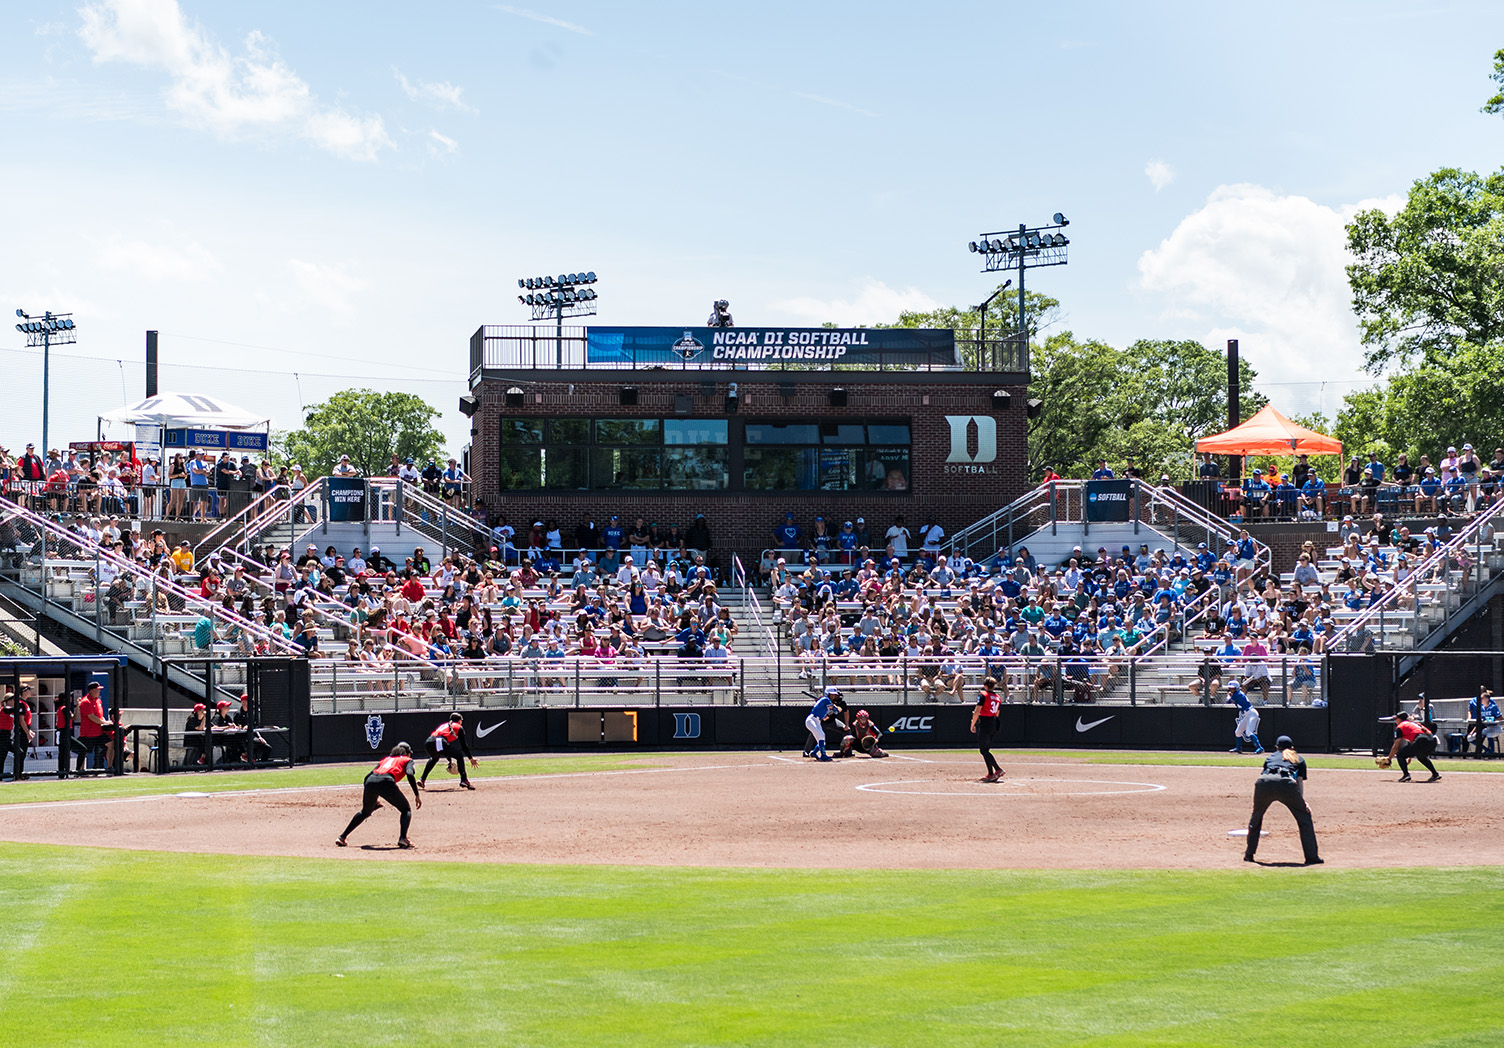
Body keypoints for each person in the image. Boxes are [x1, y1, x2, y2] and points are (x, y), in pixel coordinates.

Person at [1242, 735, 1322, 865]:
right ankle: (1311, 857)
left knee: (1256, 817)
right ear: (1292, 747)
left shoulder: (1270, 757)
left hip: (1263, 783)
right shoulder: (1298, 759)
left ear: (1277, 747)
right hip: (1286, 785)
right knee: (1304, 819)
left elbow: (1265, 773)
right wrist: (1302, 803)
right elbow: (1299, 782)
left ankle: (1249, 854)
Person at [337, 742, 423, 849]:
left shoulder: (385, 759)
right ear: (407, 753)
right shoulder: (407, 760)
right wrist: (417, 794)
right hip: (387, 781)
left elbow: (367, 777)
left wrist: (372, 798)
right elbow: (410, 774)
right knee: (406, 810)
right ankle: (403, 838)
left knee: (365, 812)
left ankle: (342, 837)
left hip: (370, 781)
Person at [419, 713, 478, 789]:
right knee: (459, 756)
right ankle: (464, 780)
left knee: (434, 758)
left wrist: (449, 761)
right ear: (459, 721)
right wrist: (471, 758)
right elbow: (463, 745)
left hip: (429, 742)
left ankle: (422, 779)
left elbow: (442, 748)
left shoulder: (445, 725)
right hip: (439, 741)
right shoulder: (459, 727)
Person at [1384, 711, 1440, 782]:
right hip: (1433, 740)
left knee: (1400, 755)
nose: (1395, 720)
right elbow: (1413, 742)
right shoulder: (1413, 724)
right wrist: (1410, 756)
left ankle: (1406, 775)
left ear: (1400, 719)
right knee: (1421, 756)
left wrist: (1389, 758)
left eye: (1396, 719)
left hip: (1421, 739)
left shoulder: (1400, 727)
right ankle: (1435, 774)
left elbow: (1396, 746)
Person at [970, 675, 1005, 783]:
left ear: (985, 685)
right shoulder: (998, 697)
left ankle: (998, 769)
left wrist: (973, 723)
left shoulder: (983, 695)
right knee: (986, 749)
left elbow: (977, 711)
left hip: (986, 722)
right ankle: (990, 773)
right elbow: (997, 713)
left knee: (983, 750)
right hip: (994, 722)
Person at [76, 681, 114, 773]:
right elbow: (91, 717)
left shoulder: (98, 701)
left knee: (111, 744)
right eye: (97, 689)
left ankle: (109, 768)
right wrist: (105, 722)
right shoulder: (85, 702)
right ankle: (79, 771)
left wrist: (106, 722)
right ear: (92, 690)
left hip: (99, 733)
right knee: (83, 752)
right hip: (88, 734)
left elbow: (100, 715)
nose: (99, 691)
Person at [0, 685, 35, 782]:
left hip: (7, 736)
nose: (14, 701)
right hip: (2, 736)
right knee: (3, 757)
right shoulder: (5, 709)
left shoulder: (13, 708)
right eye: (12, 699)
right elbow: (13, 713)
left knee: (17, 753)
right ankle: (13, 776)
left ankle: (16, 775)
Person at [804, 686, 847, 762]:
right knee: (820, 735)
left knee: (822, 737)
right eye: (832, 694)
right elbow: (835, 710)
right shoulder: (826, 699)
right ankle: (823, 755)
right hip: (812, 719)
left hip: (818, 720)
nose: (834, 696)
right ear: (828, 694)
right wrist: (836, 708)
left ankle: (814, 753)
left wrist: (836, 709)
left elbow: (825, 718)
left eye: (834, 695)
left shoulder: (826, 704)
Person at [1227, 680, 1263, 754]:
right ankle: (1238, 748)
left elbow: (1228, 701)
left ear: (1236, 688)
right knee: (1238, 732)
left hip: (1252, 713)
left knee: (1249, 732)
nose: (1231, 690)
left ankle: (1260, 748)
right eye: (1230, 688)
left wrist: (1228, 695)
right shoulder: (1237, 694)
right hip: (1246, 714)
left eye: (1233, 688)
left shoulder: (1237, 694)